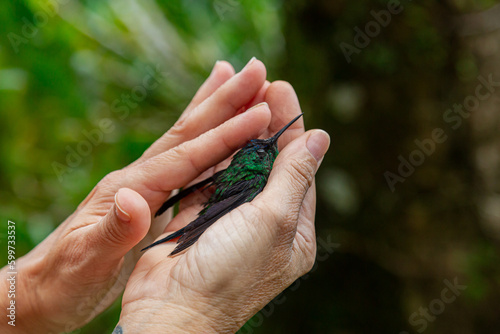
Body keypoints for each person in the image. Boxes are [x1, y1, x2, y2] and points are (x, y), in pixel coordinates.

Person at [0, 58, 330, 333]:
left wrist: (31, 298)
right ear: (255, 160)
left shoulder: (255, 171)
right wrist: (183, 316)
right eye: (262, 150)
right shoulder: (255, 177)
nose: (269, 149)